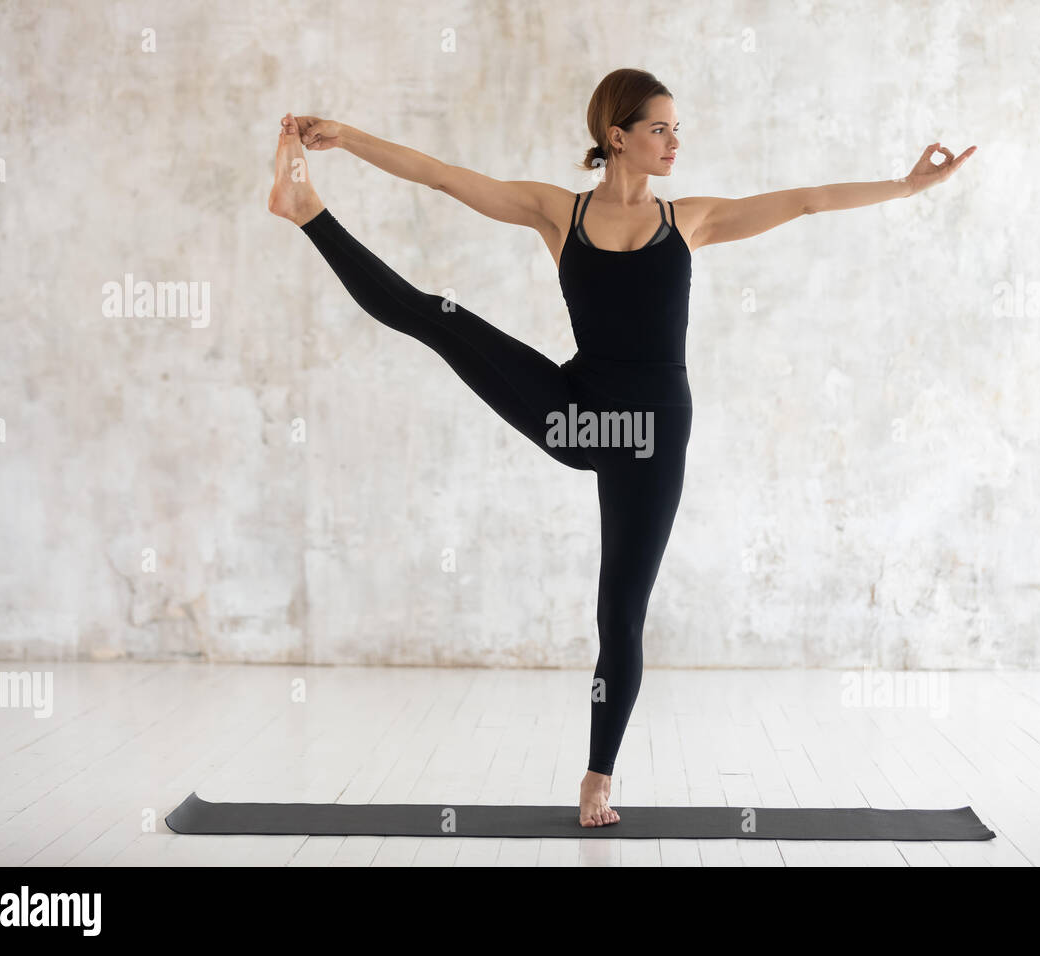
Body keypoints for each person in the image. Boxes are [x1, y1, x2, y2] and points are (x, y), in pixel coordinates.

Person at [267, 67, 975, 827]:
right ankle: (305, 209)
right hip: (576, 413)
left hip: (652, 436)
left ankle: (597, 777)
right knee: (435, 315)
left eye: (675, 127)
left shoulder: (691, 221)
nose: (676, 141)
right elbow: (443, 178)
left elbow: (804, 202)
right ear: (617, 137)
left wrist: (906, 187)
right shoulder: (557, 213)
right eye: (660, 128)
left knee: (620, 611)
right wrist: (349, 137)